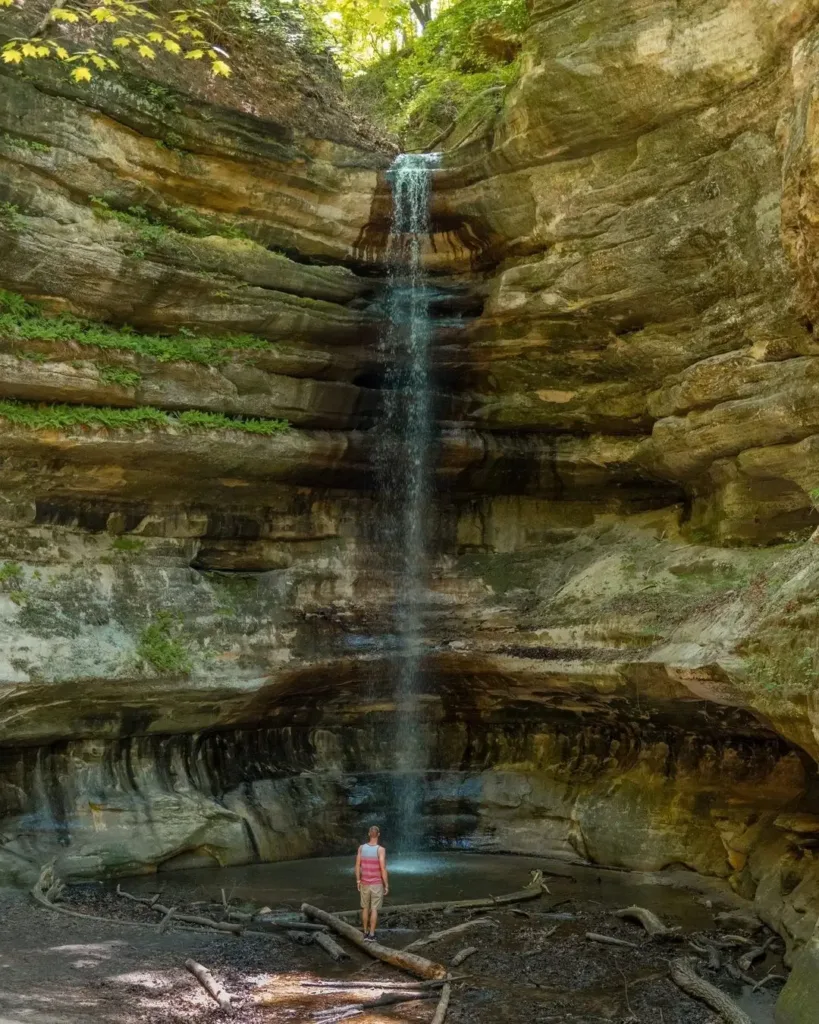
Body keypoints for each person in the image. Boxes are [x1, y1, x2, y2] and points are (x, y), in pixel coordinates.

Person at [355, 825, 389, 942]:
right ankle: (372, 934)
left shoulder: (361, 848)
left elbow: (357, 865)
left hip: (364, 882)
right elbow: (383, 868)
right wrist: (386, 884)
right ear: (378, 834)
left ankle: (364, 932)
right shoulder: (381, 850)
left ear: (369, 834)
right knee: (374, 909)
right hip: (377, 883)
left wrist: (358, 880)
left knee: (365, 907)